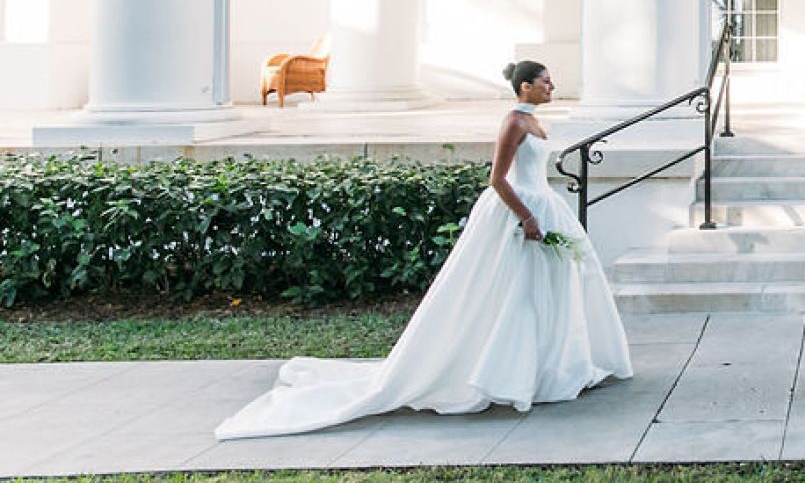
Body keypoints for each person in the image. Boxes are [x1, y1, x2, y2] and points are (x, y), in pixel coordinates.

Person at [215, 61, 632, 439]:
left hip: (546, 204)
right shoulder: (513, 124)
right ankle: (507, 373)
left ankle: (552, 366)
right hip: (519, 211)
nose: (552, 85)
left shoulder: (538, 123)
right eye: (545, 82)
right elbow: (497, 179)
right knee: (515, 293)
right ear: (525, 87)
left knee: (552, 289)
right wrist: (525, 216)